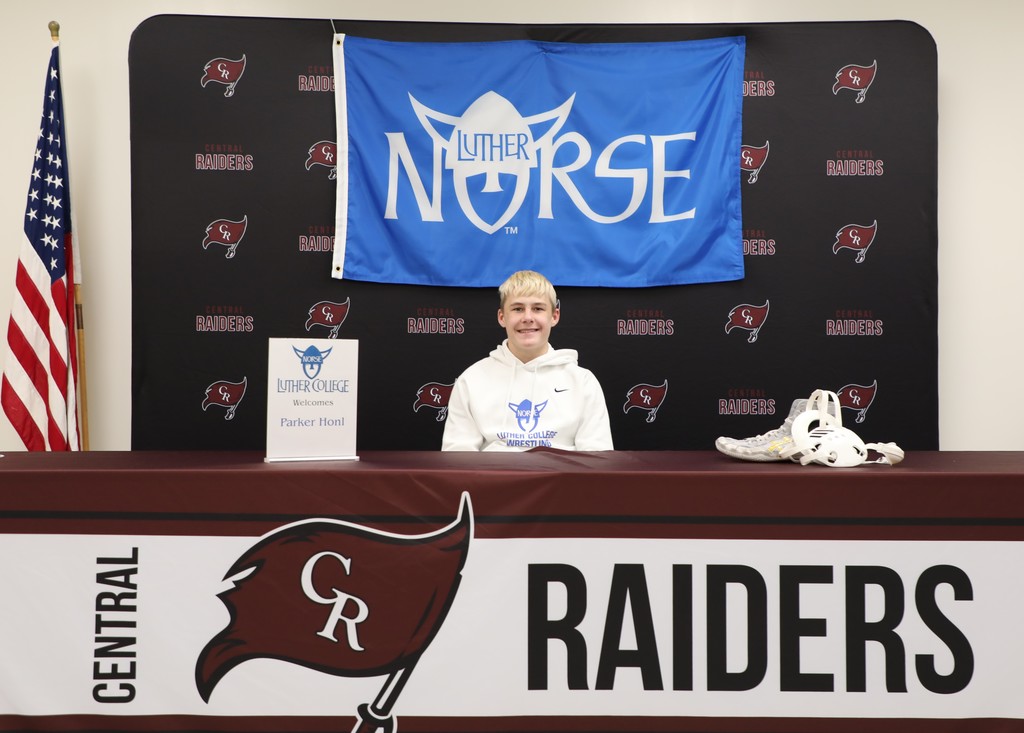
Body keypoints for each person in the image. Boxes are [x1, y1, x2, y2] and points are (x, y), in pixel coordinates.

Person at [442, 270, 614, 452]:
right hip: (493, 480)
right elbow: (458, 460)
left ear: (554, 316)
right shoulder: (471, 380)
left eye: (538, 308)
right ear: (502, 317)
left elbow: (597, 461)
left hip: (562, 480)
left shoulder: (583, 382)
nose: (527, 318)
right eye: (518, 309)